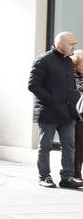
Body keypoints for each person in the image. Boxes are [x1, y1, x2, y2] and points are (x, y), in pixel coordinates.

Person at [27, 32, 81, 189]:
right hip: (49, 111)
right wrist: (51, 100)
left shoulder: (69, 62)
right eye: (71, 43)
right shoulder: (43, 60)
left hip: (67, 112)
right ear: (60, 45)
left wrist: (75, 104)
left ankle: (67, 177)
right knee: (45, 146)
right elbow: (33, 85)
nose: (74, 46)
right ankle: (44, 177)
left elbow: (71, 87)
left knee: (69, 145)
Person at [72, 50, 83, 183]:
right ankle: (76, 173)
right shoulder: (73, 78)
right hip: (79, 116)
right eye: (81, 64)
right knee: (79, 146)